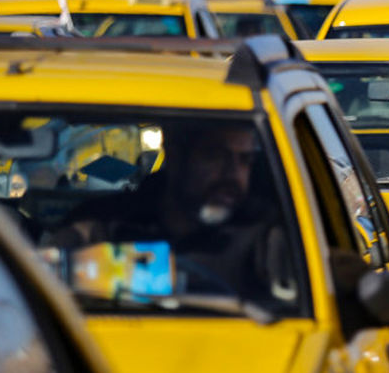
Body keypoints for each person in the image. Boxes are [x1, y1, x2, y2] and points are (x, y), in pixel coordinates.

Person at [53, 123, 295, 304]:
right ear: (176, 157)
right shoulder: (100, 228)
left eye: (245, 160)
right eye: (215, 156)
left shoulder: (269, 237)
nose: (233, 174)